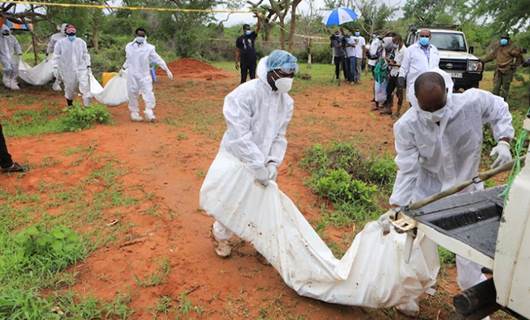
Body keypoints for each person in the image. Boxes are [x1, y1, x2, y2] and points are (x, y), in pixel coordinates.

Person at [388, 69, 513, 299]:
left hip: (468, 192)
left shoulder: (472, 102)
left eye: (439, 106)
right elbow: (407, 169)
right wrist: (398, 205)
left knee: (470, 255)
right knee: (418, 247)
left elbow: (499, 109)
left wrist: (504, 141)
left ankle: (475, 299)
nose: (435, 114)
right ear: (416, 101)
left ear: (448, 91)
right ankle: (413, 292)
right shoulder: (408, 125)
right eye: (428, 109)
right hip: (429, 194)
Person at [210, 49, 298, 257]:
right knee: (232, 197)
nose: (288, 80)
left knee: (260, 201)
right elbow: (239, 134)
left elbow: (279, 135)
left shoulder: (286, 102)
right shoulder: (244, 94)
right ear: (271, 71)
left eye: (291, 75)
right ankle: (220, 235)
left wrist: (272, 163)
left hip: (264, 159)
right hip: (238, 157)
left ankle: (261, 242)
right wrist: (255, 163)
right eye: (284, 74)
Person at [122, 27, 173, 122]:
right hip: (132, 74)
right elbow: (128, 59)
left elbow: (158, 59)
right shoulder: (129, 46)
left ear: (145, 36)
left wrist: (166, 69)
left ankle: (149, 113)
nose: (140, 37)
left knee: (148, 92)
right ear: (135, 35)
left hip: (144, 75)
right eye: (139, 35)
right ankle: (134, 113)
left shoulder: (149, 48)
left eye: (142, 35)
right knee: (132, 93)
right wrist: (123, 68)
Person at [53, 24, 92, 108]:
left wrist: (88, 65)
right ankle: (70, 106)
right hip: (67, 70)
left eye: (72, 29)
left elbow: (85, 54)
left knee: (85, 86)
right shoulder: (60, 43)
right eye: (69, 29)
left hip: (81, 68)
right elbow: (56, 55)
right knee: (69, 88)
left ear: (75, 30)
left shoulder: (81, 42)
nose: (71, 30)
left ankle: (87, 107)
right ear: (65, 31)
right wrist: (55, 67)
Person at [398, 29, 440, 102]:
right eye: (422, 36)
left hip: (431, 84)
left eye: (426, 36)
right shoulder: (411, 49)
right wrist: (401, 78)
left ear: (430, 37)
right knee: (414, 105)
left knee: (428, 106)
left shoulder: (434, 49)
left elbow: (436, 66)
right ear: (418, 37)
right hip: (415, 83)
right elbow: (404, 67)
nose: (424, 38)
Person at [481, 34, 524, 101]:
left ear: (508, 40)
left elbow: (519, 56)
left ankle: (503, 103)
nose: (503, 39)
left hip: (508, 70)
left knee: (505, 88)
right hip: (498, 70)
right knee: (496, 87)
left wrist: (515, 65)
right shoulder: (498, 47)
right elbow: (491, 56)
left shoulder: (511, 48)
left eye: (505, 38)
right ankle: (495, 103)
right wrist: (482, 60)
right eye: (502, 38)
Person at [382, 34, 406, 116]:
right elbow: (396, 60)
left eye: (395, 42)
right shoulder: (396, 50)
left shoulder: (405, 51)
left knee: (399, 93)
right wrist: (390, 61)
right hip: (393, 72)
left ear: (399, 41)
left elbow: (404, 65)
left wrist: (394, 65)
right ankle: (389, 108)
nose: (394, 44)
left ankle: (398, 111)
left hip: (400, 73)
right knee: (388, 90)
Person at [0, 25, 22, 90]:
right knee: (8, 68)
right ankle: (6, 81)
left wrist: (19, 52)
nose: (6, 33)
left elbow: (17, 45)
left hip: (11, 55)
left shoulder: (12, 38)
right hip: (3, 56)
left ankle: (13, 81)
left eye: (7, 32)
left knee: (15, 68)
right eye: (4, 32)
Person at [46, 23, 67, 91]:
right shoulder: (55, 36)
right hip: (56, 57)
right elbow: (50, 45)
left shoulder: (70, 37)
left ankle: (60, 83)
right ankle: (56, 84)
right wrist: (48, 54)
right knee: (57, 71)